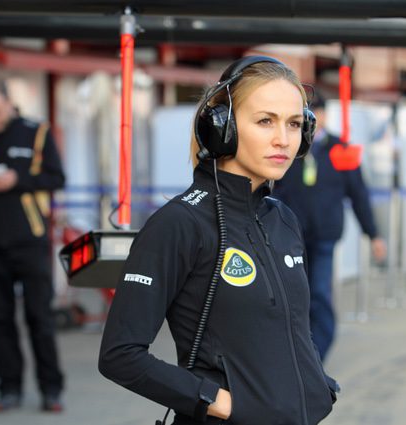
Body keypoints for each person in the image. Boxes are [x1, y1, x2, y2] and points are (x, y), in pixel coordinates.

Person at [99, 56, 338, 425]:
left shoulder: (282, 219)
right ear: (221, 127)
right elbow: (120, 354)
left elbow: (288, 328)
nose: (283, 140)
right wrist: (220, 402)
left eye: (294, 124)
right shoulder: (180, 223)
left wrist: (316, 384)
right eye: (265, 121)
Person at [0, 80, 65, 412]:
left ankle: (51, 390)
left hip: (31, 242)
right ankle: (9, 389)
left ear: (9, 103)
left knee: (40, 318)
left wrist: (17, 181)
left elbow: (56, 178)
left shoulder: (36, 132)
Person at [274, 93, 386, 362]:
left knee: (319, 293)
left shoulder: (340, 149)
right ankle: (297, 352)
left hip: (325, 234)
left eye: (317, 112)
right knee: (293, 295)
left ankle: (316, 357)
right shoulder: (287, 147)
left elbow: (359, 194)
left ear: (325, 115)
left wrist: (374, 234)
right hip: (291, 236)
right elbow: (273, 190)